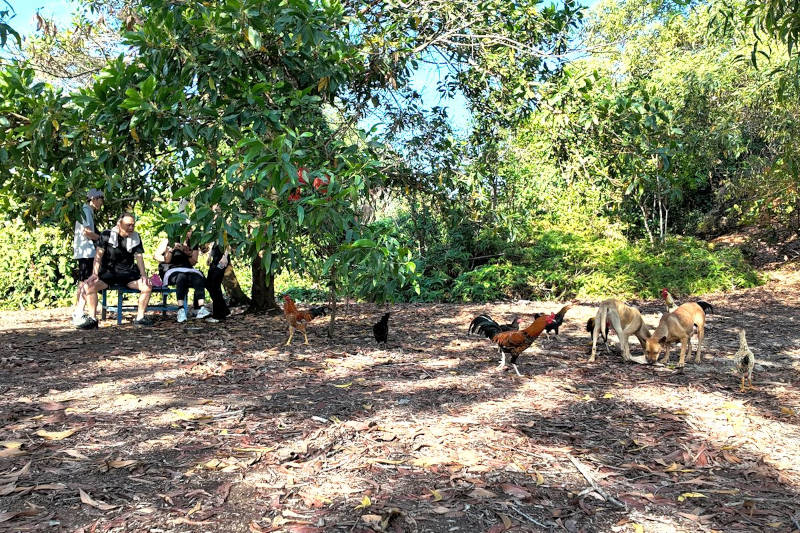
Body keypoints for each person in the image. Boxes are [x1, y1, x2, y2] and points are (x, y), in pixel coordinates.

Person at [78, 213, 153, 329]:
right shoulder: (106, 235)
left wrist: (143, 275)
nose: (131, 228)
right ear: (119, 224)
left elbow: (139, 257)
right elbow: (98, 256)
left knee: (147, 287)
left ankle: (140, 318)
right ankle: (92, 319)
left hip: (128, 274)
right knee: (89, 286)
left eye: (133, 225)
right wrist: (94, 274)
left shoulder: (136, 237)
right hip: (108, 273)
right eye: (128, 225)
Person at [153, 229, 211, 323]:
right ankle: (181, 309)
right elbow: (160, 257)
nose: (189, 233)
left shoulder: (193, 242)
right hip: (171, 269)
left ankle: (201, 307)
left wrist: (186, 252)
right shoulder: (170, 241)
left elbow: (193, 262)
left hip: (187, 268)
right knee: (181, 277)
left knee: (198, 277)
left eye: (190, 230)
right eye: (187, 230)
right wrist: (172, 249)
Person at [71, 188, 104, 325]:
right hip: (86, 252)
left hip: (85, 252)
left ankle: (78, 310)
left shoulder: (87, 211)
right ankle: (79, 312)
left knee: (83, 282)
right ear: (94, 199)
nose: (101, 203)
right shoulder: (86, 210)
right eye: (101, 199)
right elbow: (87, 232)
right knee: (87, 282)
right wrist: (102, 239)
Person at [205, 242, 231, 321]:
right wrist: (210, 256)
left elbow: (228, 243)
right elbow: (215, 243)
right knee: (209, 284)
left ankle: (218, 315)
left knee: (215, 286)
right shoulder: (216, 234)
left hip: (222, 260)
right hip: (215, 260)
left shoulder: (224, 234)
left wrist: (225, 256)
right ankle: (224, 310)